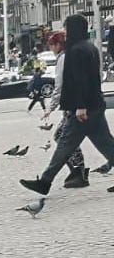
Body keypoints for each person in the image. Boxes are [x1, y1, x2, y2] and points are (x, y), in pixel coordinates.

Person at [21, 13, 114, 195]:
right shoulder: (90, 47)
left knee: (65, 145)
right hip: (95, 104)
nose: (65, 30)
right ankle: (46, 181)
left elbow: (79, 80)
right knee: (107, 145)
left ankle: (45, 182)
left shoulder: (75, 50)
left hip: (83, 109)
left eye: (67, 27)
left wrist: (80, 106)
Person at [42, 30, 88, 188]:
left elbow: (59, 86)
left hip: (74, 107)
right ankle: (78, 171)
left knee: (63, 137)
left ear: (57, 45)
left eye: (52, 45)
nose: (51, 48)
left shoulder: (63, 59)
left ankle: (78, 171)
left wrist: (50, 107)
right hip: (78, 105)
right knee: (65, 137)